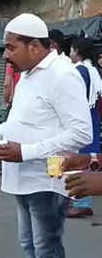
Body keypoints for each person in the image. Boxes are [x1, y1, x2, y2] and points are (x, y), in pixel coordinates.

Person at [0, 13, 92, 258]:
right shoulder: (28, 75)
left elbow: (81, 133)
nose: (5, 55)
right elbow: (20, 121)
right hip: (23, 177)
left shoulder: (63, 75)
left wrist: (25, 152)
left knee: (45, 248)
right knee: (28, 244)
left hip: (46, 178)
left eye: (10, 47)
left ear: (35, 47)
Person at [66, 37, 102, 218]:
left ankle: (81, 202)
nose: (69, 53)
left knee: (78, 158)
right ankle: (81, 201)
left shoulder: (79, 71)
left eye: (71, 49)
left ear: (77, 51)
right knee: (89, 156)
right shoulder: (94, 70)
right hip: (93, 118)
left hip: (80, 118)